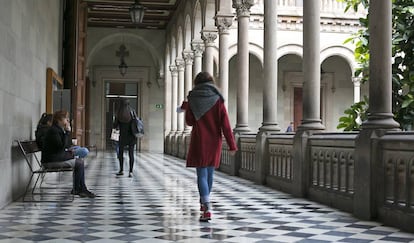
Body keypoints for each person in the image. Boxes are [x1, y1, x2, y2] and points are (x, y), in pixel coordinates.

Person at [180, 72, 238, 222]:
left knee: (201, 175)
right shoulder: (218, 99)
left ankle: (205, 206)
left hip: (199, 140)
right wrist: (232, 145)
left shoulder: (192, 98)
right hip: (214, 141)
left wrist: (187, 108)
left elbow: (190, 122)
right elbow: (225, 124)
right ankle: (205, 202)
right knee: (210, 174)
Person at [41, 110, 95, 198]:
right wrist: (67, 132)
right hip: (51, 161)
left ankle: (81, 188)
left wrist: (66, 133)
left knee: (79, 161)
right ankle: (78, 189)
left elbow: (64, 146)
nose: (67, 120)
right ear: (59, 120)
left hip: (55, 157)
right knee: (79, 163)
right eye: (65, 119)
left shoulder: (57, 129)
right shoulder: (54, 131)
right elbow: (61, 147)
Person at [113, 98, 137, 177]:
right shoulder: (132, 111)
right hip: (132, 136)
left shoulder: (119, 113)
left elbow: (115, 125)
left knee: (121, 153)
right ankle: (130, 171)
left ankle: (121, 170)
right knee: (131, 154)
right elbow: (136, 122)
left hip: (123, 136)